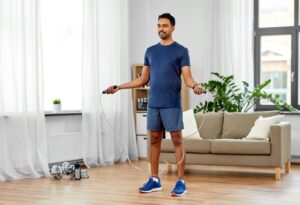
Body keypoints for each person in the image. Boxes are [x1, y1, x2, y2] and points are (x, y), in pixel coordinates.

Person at [104, 13, 204, 197]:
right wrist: (119, 87)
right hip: (153, 104)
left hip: (171, 103)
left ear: (173, 27)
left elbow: (188, 79)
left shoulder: (181, 51)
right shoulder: (150, 51)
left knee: (176, 140)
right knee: (155, 140)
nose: (161, 29)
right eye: (159, 25)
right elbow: (143, 79)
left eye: (165, 25)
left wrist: (196, 86)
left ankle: (181, 181)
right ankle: (154, 179)